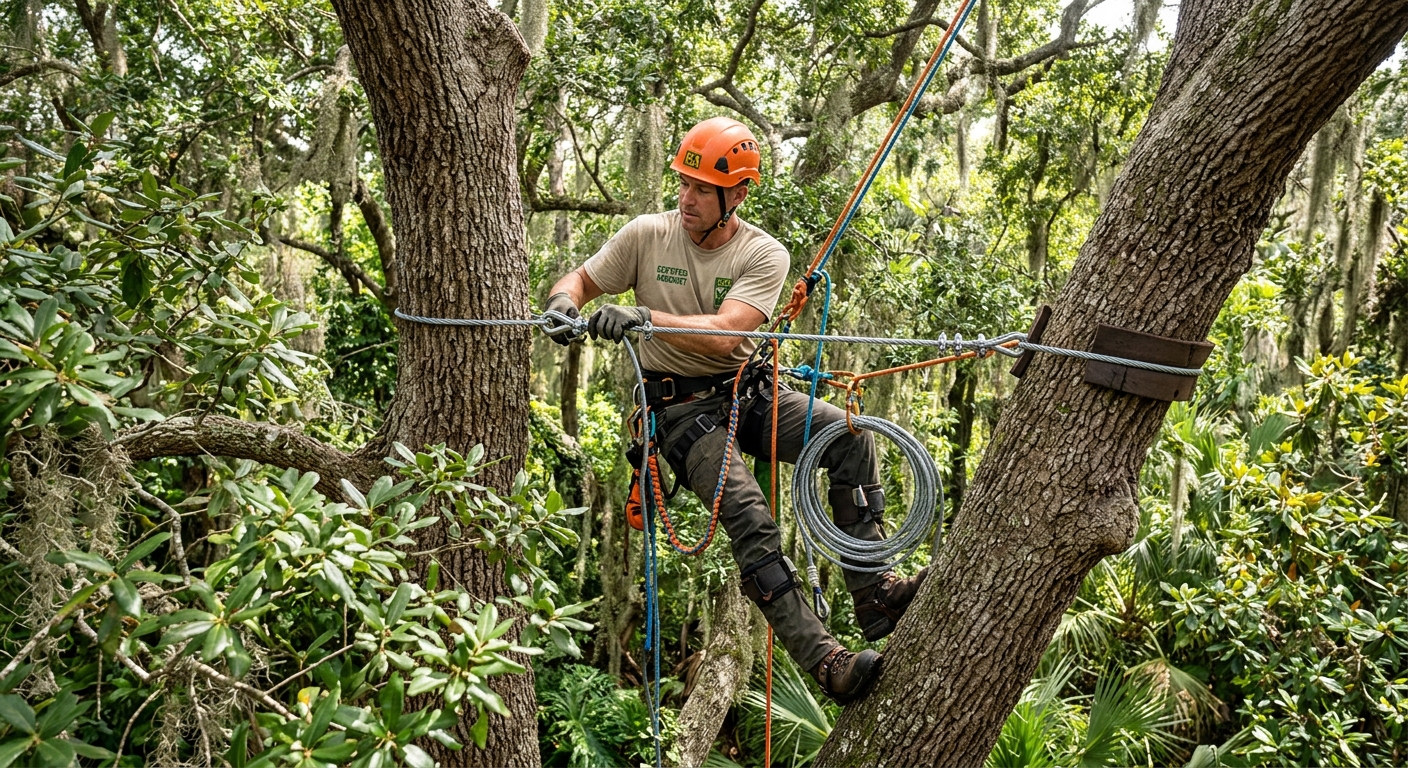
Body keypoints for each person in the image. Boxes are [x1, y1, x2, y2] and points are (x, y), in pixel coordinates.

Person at [544, 116, 927, 702]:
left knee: (851, 436)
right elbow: (580, 279)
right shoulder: (647, 235)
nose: (687, 197)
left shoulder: (763, 253)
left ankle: (874, 595)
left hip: (749, 393)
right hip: (677, 411)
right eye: (684, 183)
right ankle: (825, 661)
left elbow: (728, 336)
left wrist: (646, 318)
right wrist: (564, 304)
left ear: (737, 195)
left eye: (701, 188)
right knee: (749, 516)